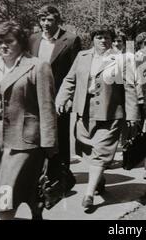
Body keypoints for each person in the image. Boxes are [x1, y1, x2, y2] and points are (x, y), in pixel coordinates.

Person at [55, 26, 140, 210]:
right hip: (84, 112)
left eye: (107, 37)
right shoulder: (82, 56)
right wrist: (62, 98)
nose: (103, 41)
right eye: (99, 37)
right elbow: (70, 80)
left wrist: (132, 115)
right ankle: (99, 178)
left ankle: (88, 194)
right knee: (87, 150)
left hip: (110, 113)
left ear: (112, 39)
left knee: (101, 152)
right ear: (93, 39)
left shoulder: (121, 59)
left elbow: (129, 87)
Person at [0, 21, 58, 220]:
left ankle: (6, 216)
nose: (3, 46)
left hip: (26, 141)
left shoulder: (37, 66)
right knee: (26, 186)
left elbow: (47, 107)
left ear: (21, 42)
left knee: (4, 194)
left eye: (9, 41)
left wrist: (50, 147)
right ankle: (36, 210)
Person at [29, 5, 81, 190]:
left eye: (49, 19)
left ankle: (62, 178)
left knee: (60, 137)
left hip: (59, 96)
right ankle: (43, 176)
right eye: (42, 19)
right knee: (38, 135)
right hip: (36, 97)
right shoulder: (33, 40)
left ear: (58, 21)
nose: (45, 23)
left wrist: (68, 98)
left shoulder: (71, 40)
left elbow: (76, 72)